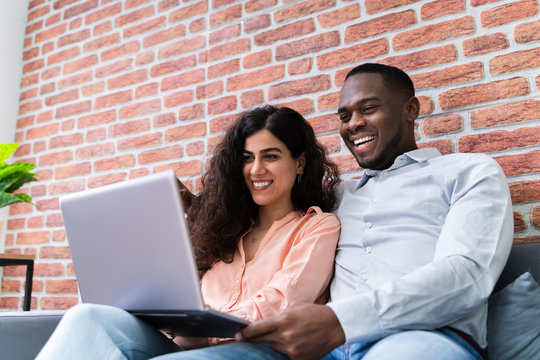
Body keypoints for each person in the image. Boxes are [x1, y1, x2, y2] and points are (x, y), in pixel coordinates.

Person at [161, 63, 514, 360]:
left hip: (422, 336)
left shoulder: (469, 172)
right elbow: (265, 218)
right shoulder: (338, 197)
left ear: (411, 109)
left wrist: (340, 320)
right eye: (345, 115)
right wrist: (198, 212)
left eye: (368, 108)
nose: (353, 123)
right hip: (325, 348)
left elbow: (467, 274)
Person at [36, 105, 341, 359]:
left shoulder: (317, 227)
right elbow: (175, 293)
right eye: (247, 158)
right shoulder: (223, 229)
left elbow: (281, 305)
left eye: (270, 156)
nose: (256, 169)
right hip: (186, 345)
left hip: (262, 351)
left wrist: (205, 329)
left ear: (299, 161)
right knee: (87, 317)